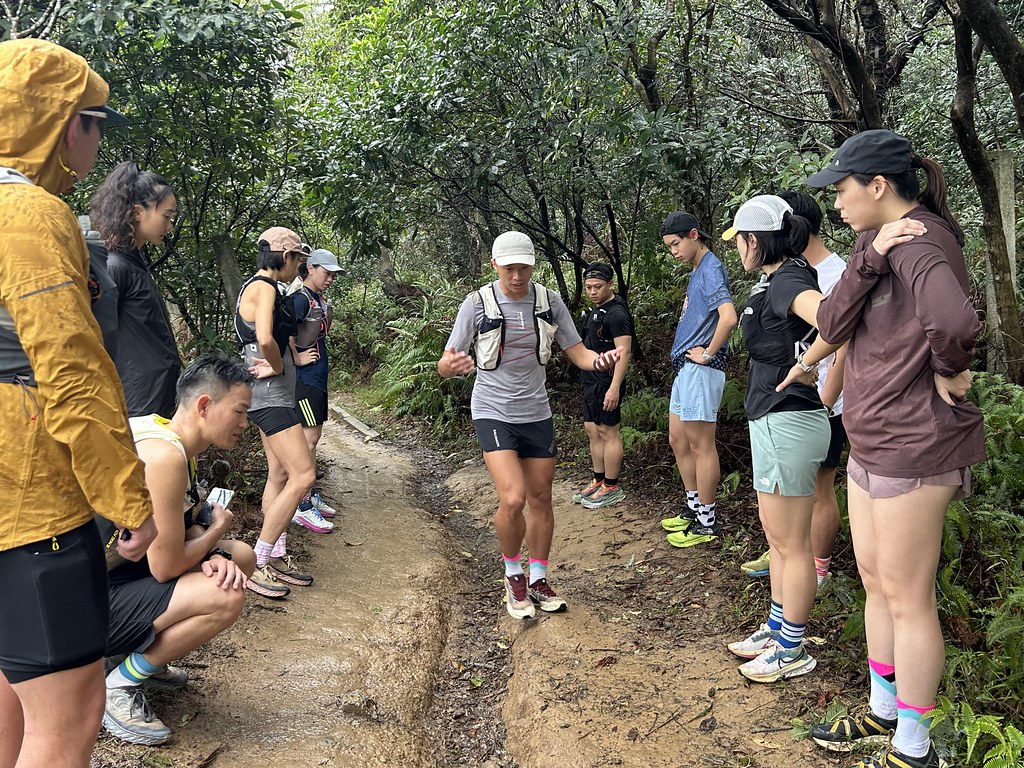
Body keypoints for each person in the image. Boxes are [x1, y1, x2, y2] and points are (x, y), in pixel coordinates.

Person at [794, 129, 985, 768]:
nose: (837, 203)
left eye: (842, 190)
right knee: (876, 581)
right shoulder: (875, 243)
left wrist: (947, 365)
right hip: (871, 438)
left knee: (908, 596)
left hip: (915, 443)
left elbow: (956, 324)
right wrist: (871, 255)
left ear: (878, 187)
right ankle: (883, 709)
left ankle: (914, 743)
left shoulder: (926, 243)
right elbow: (832, 322)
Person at [0, 38, 156, 768]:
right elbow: (72, 374)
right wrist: (130, 501)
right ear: (68, 124)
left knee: (10, 702)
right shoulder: (30, 215)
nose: (96, 139)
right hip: (29, 502)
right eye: (96, 122)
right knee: (68, 717)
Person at [438, 231, 622, 619]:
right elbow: (445, 361)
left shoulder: (549, 302)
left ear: (533, 266)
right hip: (491, 410)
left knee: (540, 498)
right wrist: (451, 366)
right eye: (509, 268)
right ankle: (513, 574)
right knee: (513, 498)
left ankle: (538, 577)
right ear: (495, 266)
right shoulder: (476, 304)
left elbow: (579, 353)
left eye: (524, 267)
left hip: (536, 412)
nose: (517, 276)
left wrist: (601, 361)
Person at [103, 352, 269, 745]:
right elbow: (165, 567)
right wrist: (216, 535)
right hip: (85, 604)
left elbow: (172, 534)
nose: (245, 424)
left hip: (118, 577)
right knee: (225, 595)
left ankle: (142, 657)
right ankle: (117, 685)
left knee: (239, 558)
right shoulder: (164, 457)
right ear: (205, 406)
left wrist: (213, 552)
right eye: (240, 412)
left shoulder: (168, 436)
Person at [721, 195, 830, 683]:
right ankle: (776, 627)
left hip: (790, 419)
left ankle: (792, 648)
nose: (736, 250)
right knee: (779, 539)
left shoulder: (788, 276)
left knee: (792, 544)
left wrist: (810, 371)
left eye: (738, 241)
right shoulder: (775, 278)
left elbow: (834, 321)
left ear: (754, 239)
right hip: (773, 418)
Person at [740, 191, 848, 586]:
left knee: (804, 520)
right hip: (791, 409)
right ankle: (784, 608)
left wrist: (815, 380)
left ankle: (795, 621)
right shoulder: (789, 273)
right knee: (788, 532)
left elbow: (837, 331)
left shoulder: (802, 277)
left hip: (803, 409)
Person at [235, 226, 318, 596]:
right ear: (285, 257)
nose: (298, 268)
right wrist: (280, 367)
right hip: (269, 398)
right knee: (304, 475)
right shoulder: (265, 287)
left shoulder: (259, 286)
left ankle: (275, 555)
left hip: (272, 398)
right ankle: (258, 560)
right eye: (299, 261)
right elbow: (266, 338)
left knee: (280, 475)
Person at [657, 212, 738, 547]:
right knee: (679, 440)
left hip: (701, 368)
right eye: (669, 246)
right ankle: (693, 508)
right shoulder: (697, 271)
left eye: (676, 243)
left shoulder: (711, 268)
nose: (673, 251)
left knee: (701, 445)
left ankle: (707, 520)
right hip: (686, 367)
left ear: (693, 235)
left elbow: (728, 317)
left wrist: (707, 354)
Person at [90, 162, 181, 418]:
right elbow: (94, 339)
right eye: (166, 215)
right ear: (138, 212)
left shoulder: (133, 263)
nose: (170, 226)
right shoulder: (114, 265)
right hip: (137, 404)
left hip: (157, 397)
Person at [572, 262, 634, 509]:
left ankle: (612, 485)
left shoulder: (617, 314)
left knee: (609, 431)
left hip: (607, 380)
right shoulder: (594, 312)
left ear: (610, 284)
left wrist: (614, 387)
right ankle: (598, 479)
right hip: (590, 379)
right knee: (592, 429)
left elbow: (625, 351)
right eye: (588, 287)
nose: (592, 292)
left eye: (598, 287)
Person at [290, 248, 344, 530]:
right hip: (305, 378)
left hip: (317, 376)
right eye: (327, 273)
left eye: (333, 274)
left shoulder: (315, 299)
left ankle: (309, 494)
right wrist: (297, 357)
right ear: (310, 268)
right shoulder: (299, 299)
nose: (331, 279)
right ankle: (301, 504)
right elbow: (281, 330)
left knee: (314, 438)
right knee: (307, 440)